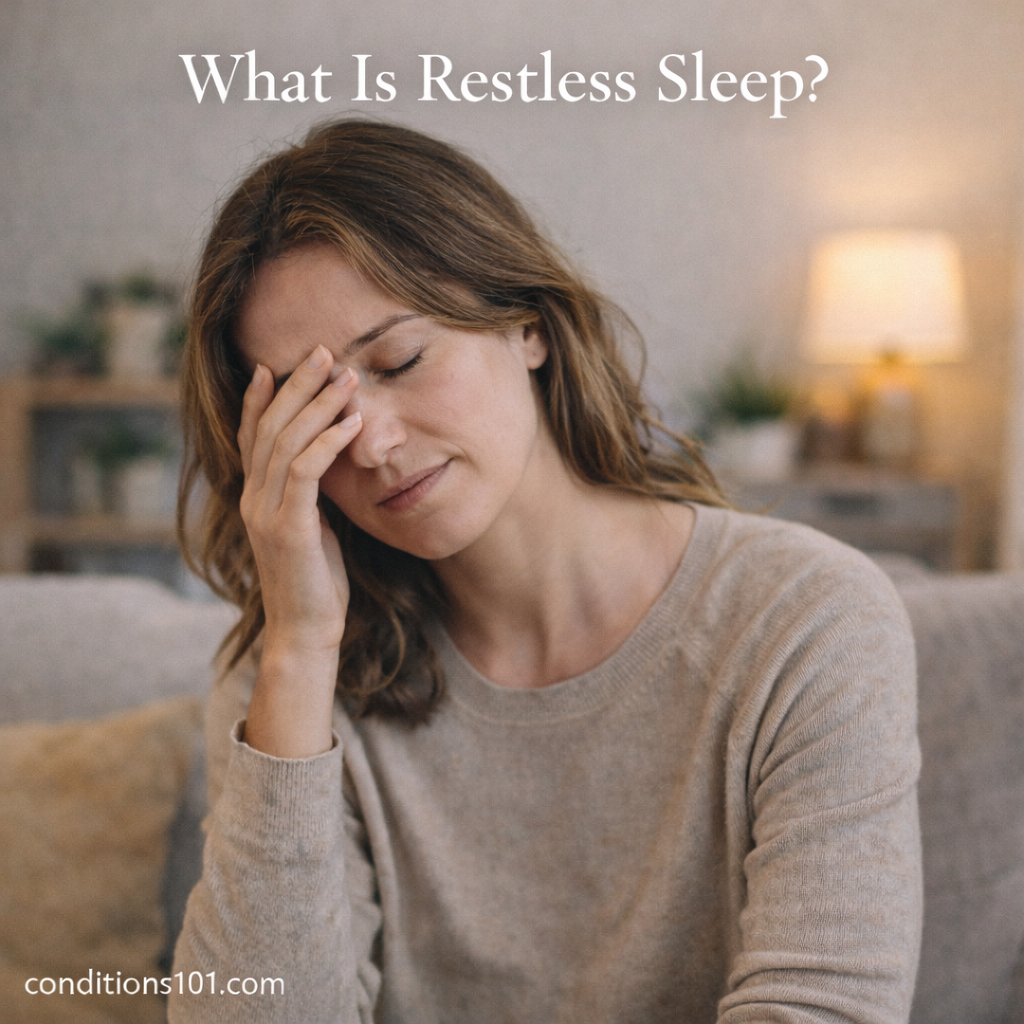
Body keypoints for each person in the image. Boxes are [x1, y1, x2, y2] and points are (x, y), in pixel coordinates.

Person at [170, 118, 922, 1024]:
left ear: (526, 323)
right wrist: (296, 650)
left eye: (401, 360)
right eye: (309, 407)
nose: (370, 442)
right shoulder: (285, 680)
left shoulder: (806, 619)